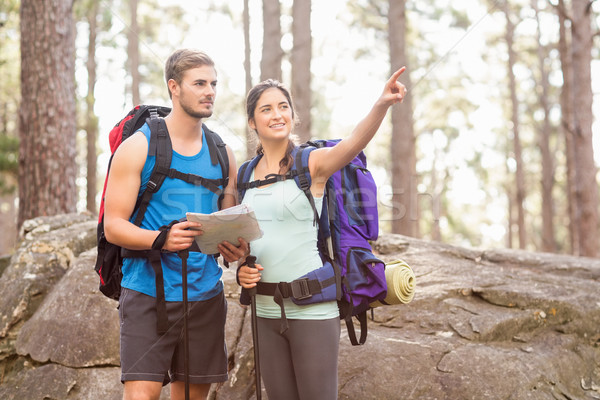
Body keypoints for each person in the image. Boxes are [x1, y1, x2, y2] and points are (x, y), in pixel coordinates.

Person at [232, 67, 407, 400]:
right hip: (264, 311)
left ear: (293, 115)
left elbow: (354, 143)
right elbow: (247, 241)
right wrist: (242, 270)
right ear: (252, 122)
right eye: (266, 109)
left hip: (312, 309)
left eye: (283, 106)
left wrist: (382, 104)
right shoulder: (244, 175)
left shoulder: (311, 164)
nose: (277, 114)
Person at [104, 49, 244, 400]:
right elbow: (113, 226)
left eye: (213, 83)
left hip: (206, 295)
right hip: (148, 292)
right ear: (174, 87)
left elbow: (227, 223)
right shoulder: (139, 147)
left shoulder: (222, 152)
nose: (209, 91)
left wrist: (236, 246)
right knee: (142, 396)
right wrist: (161, 239)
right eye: (199, 83)